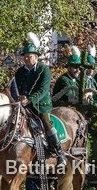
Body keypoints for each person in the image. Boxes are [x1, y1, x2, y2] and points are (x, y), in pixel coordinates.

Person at [14, 33, 65, 166]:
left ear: (36, 57)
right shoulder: (19, 72)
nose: (26, 58)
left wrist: (29, 100)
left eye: (29, 56)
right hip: (22, 104)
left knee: (46, 122)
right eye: (24, 56)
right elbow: (15, 88)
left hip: (41, 105)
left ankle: (60, 153)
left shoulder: (44, 70)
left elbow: (43, 90)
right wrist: (18, 97)